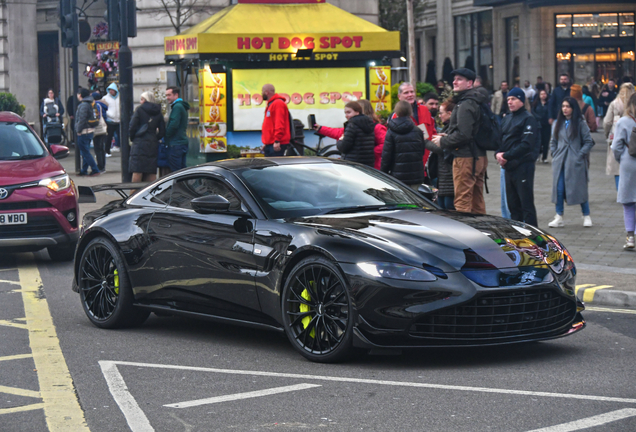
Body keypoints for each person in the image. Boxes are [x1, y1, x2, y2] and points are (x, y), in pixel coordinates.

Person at [431, 67, 488, 214]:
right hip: (478, 155)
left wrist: (443, 142)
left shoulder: (465, 103)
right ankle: (482, 231)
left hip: (465, 158)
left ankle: (465, 236)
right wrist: (447, 136)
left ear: (469, 83)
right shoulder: (476, 99)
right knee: (477, 201)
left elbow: (463, 135)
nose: (455, 82)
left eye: (459, 79)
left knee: (462, 202)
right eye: (454, 79)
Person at [548, 97, 595, 228]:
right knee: (559, 189)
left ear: (573, 108)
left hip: (575, 161)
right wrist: (554, 153)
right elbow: (554, 141)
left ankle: (586, 215)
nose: (565, 109)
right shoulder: (558, 123)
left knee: (580, 188)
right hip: (560, 161)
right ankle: (559, 216)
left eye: (568, 106)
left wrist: (579, 155)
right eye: (563, 106)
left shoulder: (580, 123)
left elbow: (588, 141)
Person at [496, 88, 539, 227]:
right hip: (508, 167)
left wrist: (506, 155)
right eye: (508, 99)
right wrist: (498, 153)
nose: (510, 102)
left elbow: (526, 144)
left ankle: (534, 237)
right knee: (513, 205)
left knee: (526, 204)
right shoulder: (507, 118)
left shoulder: (528, 119)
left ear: (521, 100)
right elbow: (500, 139)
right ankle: (517, 236)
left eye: (513, 99)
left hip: (523, 166)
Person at [316, 100, 386, 169]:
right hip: (367, 164)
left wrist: (369, 152)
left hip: (373, 166)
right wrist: (320, 128)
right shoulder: (355, 125)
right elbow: (338, 132)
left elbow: (384, 145)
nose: (346, 115)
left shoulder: (377, 127)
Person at [610, 93, 636, 250]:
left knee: (628, 202)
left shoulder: (624, 121)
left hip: (628, 163)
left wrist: (622, 159)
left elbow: (616, 146)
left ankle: (630, 237)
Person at [380, 101, 425, 189]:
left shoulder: (391, 132)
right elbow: (422, 152)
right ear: (410, 112)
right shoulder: (418, 130)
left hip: (398, 176)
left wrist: (383, 173)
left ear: (396, 113)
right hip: (416, 175)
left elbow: (386, 156)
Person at [604, 82, 635, 190]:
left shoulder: (615, 103)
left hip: (616, 136)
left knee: (617, 169)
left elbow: (607, 122)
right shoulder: (633, 104)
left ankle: (620, 191)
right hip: (632, 139)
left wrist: (607, 134)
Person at [129, 92, 166, 184]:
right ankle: (151, 194)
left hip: (139, 142)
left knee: (137, 170)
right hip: (152, 143)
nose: (140, 102)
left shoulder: (139, 110)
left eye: (142, 99)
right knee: (151, 170)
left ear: (145, 100)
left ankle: (133, 194)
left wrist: (133, 138)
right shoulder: (158, 111)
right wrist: (155, 138)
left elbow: (132, 127)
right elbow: (162, 130)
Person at [425, 99, 455, 210]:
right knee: (442, 205)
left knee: (448, 206)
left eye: (441, 112)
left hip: (448, 176)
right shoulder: (447, 127)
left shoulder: (452, 128)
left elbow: (442, 149)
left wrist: (425, 141)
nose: (440, 115)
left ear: (450, 113)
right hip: (443, 176)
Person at [335, 101, 375, 166]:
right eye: (345, 113)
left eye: (349, 112)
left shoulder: (352, 125)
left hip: (353, 163)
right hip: (368, 163)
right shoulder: (368, 123)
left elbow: (344, 147)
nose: (346, 115)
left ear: (357, 112)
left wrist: (340, 140)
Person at [75, 88, 100, 176]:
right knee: (86, 151)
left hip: (84, 131)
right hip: (90, 130)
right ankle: (84, 170)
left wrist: (78, 130)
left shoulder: (83, 105)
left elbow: (82, 119)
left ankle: (95, 169)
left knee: (85, 152)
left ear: (81, 95)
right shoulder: (91, 102)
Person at [260, 83, 291, 156]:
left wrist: (277, 141)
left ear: (266, 92)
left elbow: (279, 123)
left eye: (262, 91)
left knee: (274, 166)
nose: (261, 93)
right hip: (271, 143)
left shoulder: (278, 103)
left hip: (276, 144)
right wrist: (267, 143)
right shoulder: (271, 104)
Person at [164, 86, 190, 172]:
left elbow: (173, 125)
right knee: (182, 171)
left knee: (176, 172)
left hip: (175, 144)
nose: (167, 97)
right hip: (181, 142)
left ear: (176, 95)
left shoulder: (177, 107)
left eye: (169, 95)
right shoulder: (181, 106)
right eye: (166, 95)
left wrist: (166, 135)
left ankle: (180, 186)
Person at [532, 88, 551, 163]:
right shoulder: (536, 103)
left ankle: (545, 157)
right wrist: (537, 117)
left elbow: (551, 112)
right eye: (541, 94)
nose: (543, 96)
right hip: (538, 124)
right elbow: (533, 111)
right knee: (538, 140)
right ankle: (538, 155)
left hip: (546, 124)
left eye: (544, 94)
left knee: (546, 141)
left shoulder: (549, 103)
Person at [92, 91, 108, 172]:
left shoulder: (96, 105)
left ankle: (100, 166)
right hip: (103, 128)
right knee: (102, 148)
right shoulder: (103, 105)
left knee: (98, 148)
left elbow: (96, 117)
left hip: (98, 129)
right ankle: (103, 165)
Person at [102, 83, 121, 156]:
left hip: (119, 120)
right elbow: (103, 108)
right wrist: (108, 114)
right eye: (110, 90)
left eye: (112, 90)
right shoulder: (105, 98)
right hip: (110, 120)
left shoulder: (120, 97)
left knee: (121, 136)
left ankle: (120, 147)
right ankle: (107, 151)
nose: (111, 92)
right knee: (108, 137)